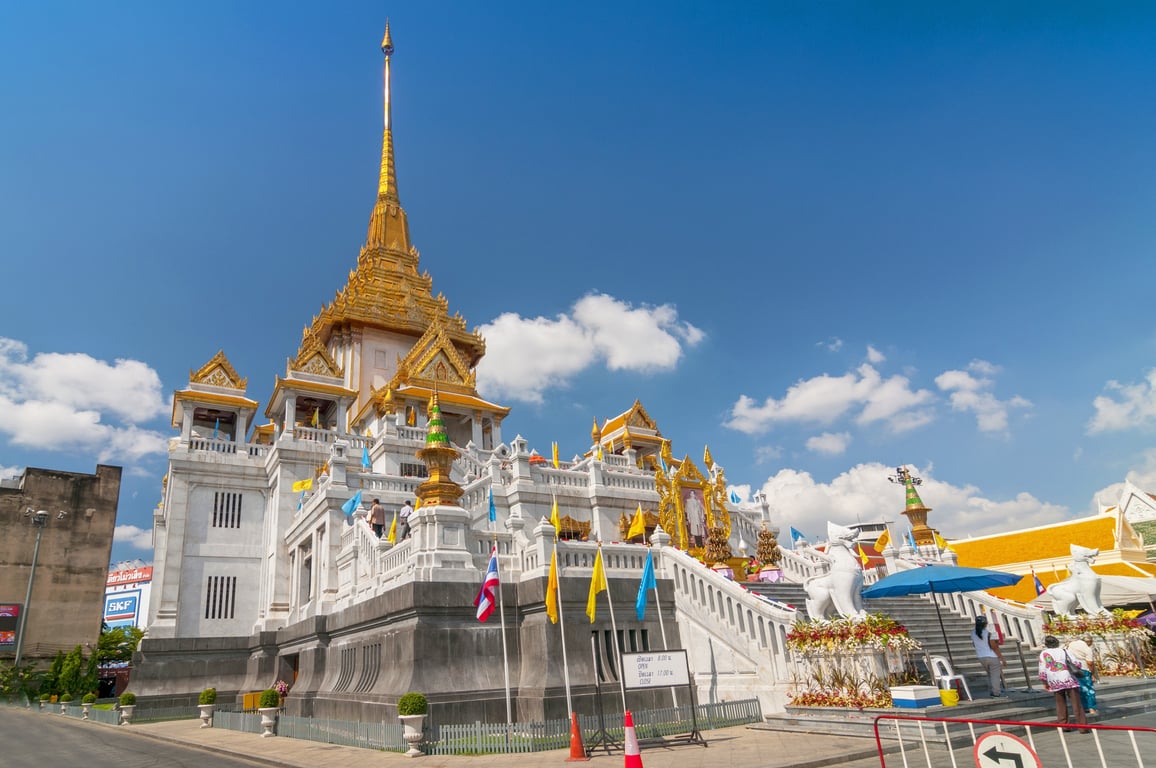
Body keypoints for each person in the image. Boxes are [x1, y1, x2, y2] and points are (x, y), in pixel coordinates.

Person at [1038, 634, 1089, 732]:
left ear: (1046, 644)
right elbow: (1077, 663)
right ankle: (1083, 727)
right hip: (1068, 677)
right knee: (1076, 703)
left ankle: (1064, 725)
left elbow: (1042, 669)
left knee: (1060, 703)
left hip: (1054, 679)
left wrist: (1044, 682)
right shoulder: (1064, 651)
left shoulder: (1044, 653)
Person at [972, 615, 1007, 697]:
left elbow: (974, 644)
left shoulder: (973, 633)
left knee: (990, 674)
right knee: (995, 675)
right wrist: (1002, 659)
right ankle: (996, 692)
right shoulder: (989, 633)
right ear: (985, 624)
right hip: (992, 656)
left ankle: (992, 690)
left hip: (981, 657)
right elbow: (994, 647)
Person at [1066, 634, 1098, 716]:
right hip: (1084, 669)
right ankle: (1091, 708)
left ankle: (1082, 707)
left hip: (1073, 669)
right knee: (1089, 689)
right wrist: (1093, 673)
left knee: (1079, 689)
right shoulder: (1087, 648)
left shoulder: (1071, 644)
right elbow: (1090, 662)